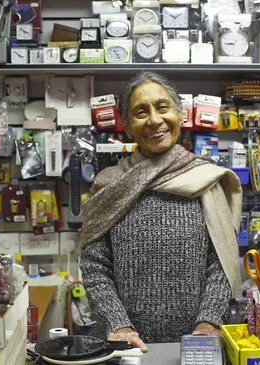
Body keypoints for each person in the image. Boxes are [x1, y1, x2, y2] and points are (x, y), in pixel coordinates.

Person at [79, 71, 242, 351]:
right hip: (126, 346)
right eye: (140, 112)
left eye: (163, 107)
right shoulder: (109, 185)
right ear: (127, 126)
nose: (154, 120)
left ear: (180, 114)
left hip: (197, 346)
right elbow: (95, 266)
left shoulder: (206, 179)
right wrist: (118, 324)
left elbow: (222, 262)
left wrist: (208, 322)